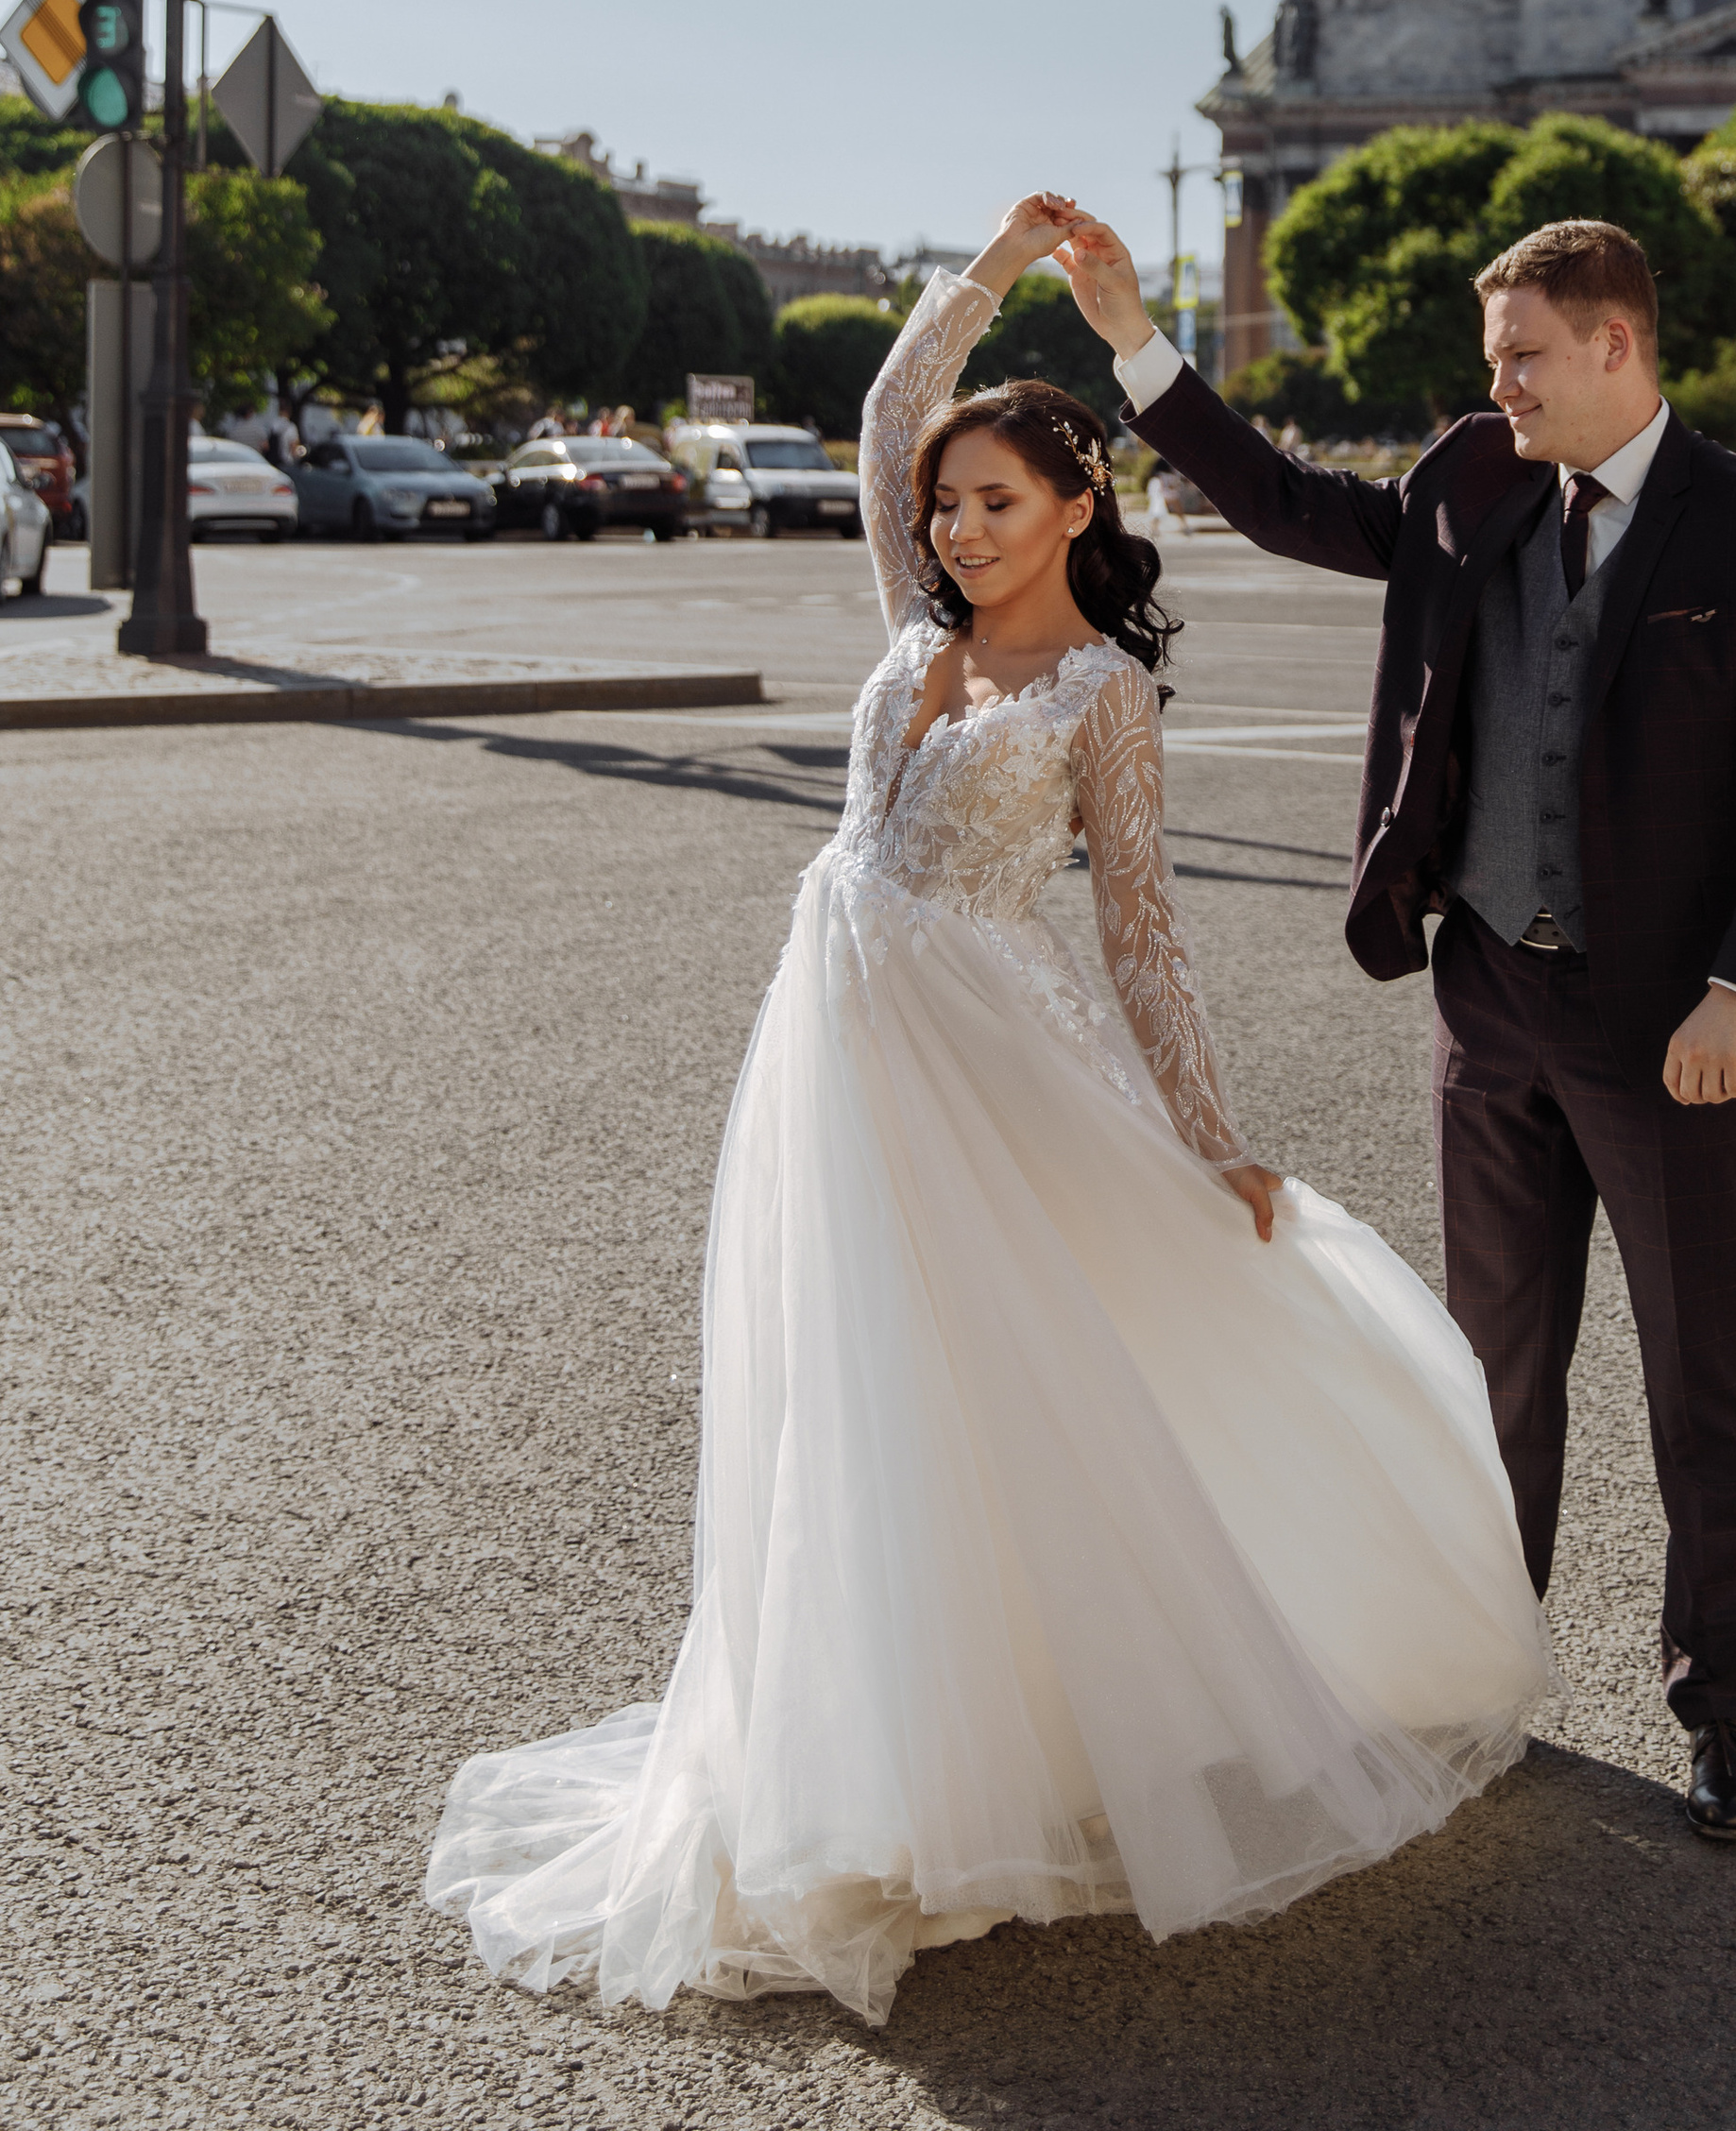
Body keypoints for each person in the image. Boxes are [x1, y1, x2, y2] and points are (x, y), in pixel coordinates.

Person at [428, 194, 1550, 2028]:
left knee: (999, 1389)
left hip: (979, 1054)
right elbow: (885, 420)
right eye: (946, 508)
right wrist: (984, 278)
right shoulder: (912, 613)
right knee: (848, 1395)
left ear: (1079, 510)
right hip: (836, 1055)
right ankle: (865, 1756)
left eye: (994, 503)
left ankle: (1018, 1757)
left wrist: (1205, 1136)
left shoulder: (1103, 692)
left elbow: (1145, 940)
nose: (953, 525)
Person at [1062, 210, 1736, 1841]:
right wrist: (1138, 342)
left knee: (1702, 1378)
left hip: (1675, 1030)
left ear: (1615, 347)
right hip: (1492, 999)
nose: (1494, 384)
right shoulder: (1473, 480)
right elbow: (1293, 504)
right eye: (1492, 357)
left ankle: (1721, 1708)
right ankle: (1484, 1676)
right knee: (1496, 1373)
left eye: (1521, 358)